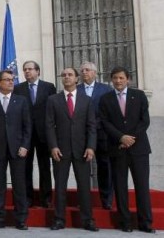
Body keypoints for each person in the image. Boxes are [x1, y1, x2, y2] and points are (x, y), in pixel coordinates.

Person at [99, 67, 155, 233]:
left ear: (128, 79)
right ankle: (125, 223)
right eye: (115, 78)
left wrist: (130, 139)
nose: (118, 81)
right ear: (111, 80)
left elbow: (144, 121)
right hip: (117, 149)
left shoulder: (139, 96)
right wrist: (120, 138)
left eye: (121, 78)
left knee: (142, 186)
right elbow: (104, 122)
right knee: (120, 187)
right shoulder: (105, 99)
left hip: (139, 150)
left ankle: (145, 223)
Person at [46, 68, 98, 232]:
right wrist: (53, 146)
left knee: (84, 186)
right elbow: (49, 126)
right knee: (60, 186)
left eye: (70, 75)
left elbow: (91, 126)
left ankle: (87, 220)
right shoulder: (53, 100)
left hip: (82, 150)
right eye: (64, 75)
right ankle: (59, 219)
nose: (66, 77)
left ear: (77, 79)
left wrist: (91, 146)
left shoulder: (86, 100)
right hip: (60, 150)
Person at [0, 70, 31, 230]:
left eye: (12, 79)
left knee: (19, 185)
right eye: (7, 80)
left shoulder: (21, 101)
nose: (11, 82)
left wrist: (25, 145)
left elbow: (27, 126)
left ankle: (21, 219)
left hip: (18, 149)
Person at [14, 60, 56, 208]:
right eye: (25, 69)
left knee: (45, 167)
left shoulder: (49, 87)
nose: (27, 72)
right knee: (25, 167)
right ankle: (28, 198)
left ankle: (46, 198)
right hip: (25, 135)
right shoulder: (18, 88)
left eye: (30, 69)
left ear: (38, 71)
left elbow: (52, 111)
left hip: (43, 134)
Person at [77, 61, 113, 210]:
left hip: (102, 133)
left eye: (87, 70)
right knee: (82, 169)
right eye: (82, 70)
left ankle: (107, 199)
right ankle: (84, 200)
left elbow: (109, 111)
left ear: (95, 73)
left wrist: (96, 124)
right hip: (81, 135)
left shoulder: (105, 89)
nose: (84, 72)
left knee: (105, 167)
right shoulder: (76, 89)